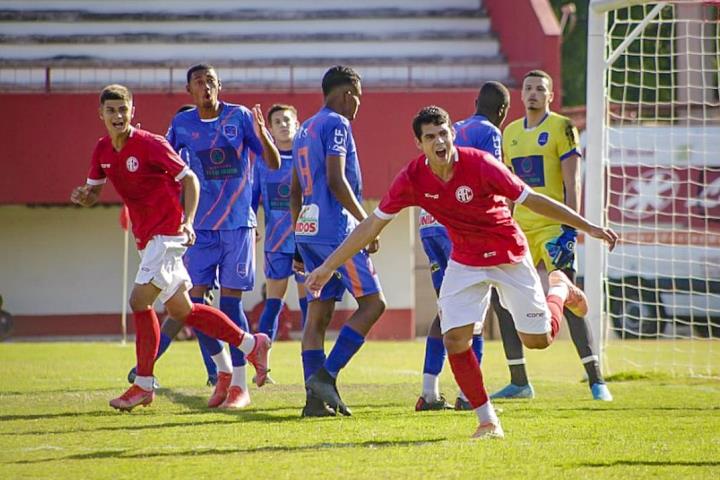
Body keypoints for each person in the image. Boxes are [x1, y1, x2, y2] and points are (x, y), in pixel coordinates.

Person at [303, 105, 618, 438]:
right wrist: (327, 267)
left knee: (537, 340)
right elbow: (371, 226)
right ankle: (487, 421)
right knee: (455, 338)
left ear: (452, 133)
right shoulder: (412, 177)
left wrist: (588, 227)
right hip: (465, 260)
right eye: (430, 137)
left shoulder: (480, 164)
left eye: (443, 133)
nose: (440, 141)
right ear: (419, 144)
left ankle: (559, 289)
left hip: (507, 253)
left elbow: (532, 199)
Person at [70, 84, 270, 412]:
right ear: (101, 114)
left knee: (139, 300)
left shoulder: (150, 144)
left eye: (124, 109)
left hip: (168, 233)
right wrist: (84, 196)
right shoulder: (103, 149)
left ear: (133, 111)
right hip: (147, 238)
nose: (118, 115)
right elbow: (94, 191)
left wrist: (188, 222)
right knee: (183, 310)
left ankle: (143, 384)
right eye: (111, 110)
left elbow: (189, 179)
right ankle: (252, 343)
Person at [163, 64, 281, 410]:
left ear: (220, 86)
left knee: (230, 304)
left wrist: (263, 135)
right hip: (198, 228)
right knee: (191, 306)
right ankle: (223, 371)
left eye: (211, 82)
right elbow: (166, 167)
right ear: (189, 91)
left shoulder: (240, 117)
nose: (206, 88)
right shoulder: (182, 125)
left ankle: (240, 386)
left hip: (237, 225)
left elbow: (272, 164)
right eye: (199, 83)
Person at [493, 70, 612, 401]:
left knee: (569, 296)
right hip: (519, 228)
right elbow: (506, 186)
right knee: (502, 299)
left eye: (540, 89)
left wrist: (571, 226)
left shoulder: (562, 127)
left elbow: (573, 179)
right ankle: (519, 381)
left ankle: (596, 380)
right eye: (528, 88)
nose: (532, 93)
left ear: (550, 95)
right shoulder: (511, 133)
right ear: (521, 95)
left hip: (554, 227)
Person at [290, 65, 386, 417]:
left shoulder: (304, 129)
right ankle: (326, 377)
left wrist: (298, 240)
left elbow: (295, 191)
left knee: (317, 316)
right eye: (358, 97)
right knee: (374, 304)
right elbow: (336, 179)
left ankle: (314, 403)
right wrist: (367, 223)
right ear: (348, 94)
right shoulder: (337, 124)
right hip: (337, 231)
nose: (358, 106)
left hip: (309, 232)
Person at [415, 81, 510, 412]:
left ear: (474, 103)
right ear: (503, 113)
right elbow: (494, 182)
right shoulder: (490, 133)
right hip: (461, 228)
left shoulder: (449, 129)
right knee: (474, 312)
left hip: (429, 225)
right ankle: (470, 395)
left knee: (447, 309)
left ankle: (428, 392)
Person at [126, 104, 228, 389]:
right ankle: (222, 366)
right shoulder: (167, 154)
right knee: (184, 305)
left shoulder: (211, 155)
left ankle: (220, 367)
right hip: (179, 237)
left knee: (187, 304)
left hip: (207, 235)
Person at [252, 103, 308, 372]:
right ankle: (263, 364)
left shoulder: (307, 158)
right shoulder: (262, 161)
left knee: (310, 305)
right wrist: (251, 224)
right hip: (275, 243)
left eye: (288, 120)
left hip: (305, 243)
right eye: (277, 122)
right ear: (270, 129)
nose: (283, 125)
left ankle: (311, 363)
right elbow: (252, 198)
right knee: (273, 304)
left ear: (297, 124)